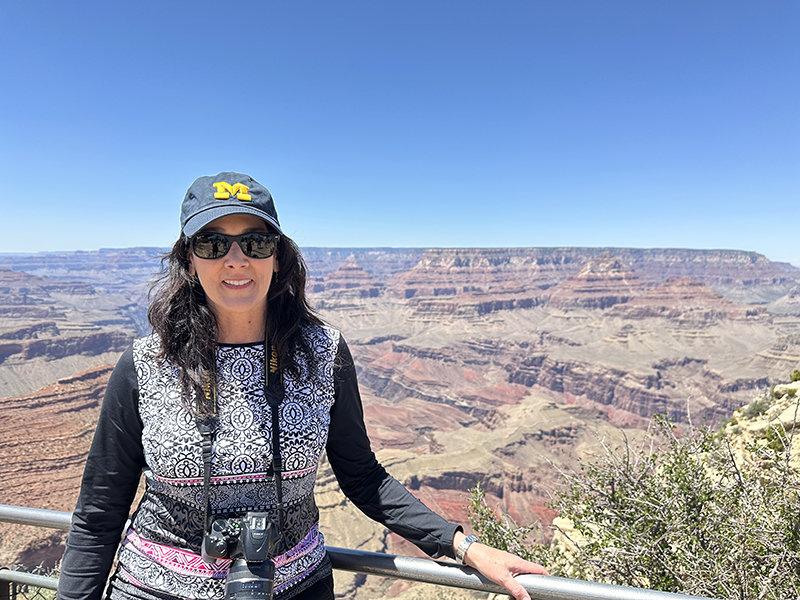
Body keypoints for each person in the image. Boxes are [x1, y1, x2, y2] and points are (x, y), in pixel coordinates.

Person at [56, 172, 548, 600]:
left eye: (255, 242)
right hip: (155, 589)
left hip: (297, 588)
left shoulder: (323, 353)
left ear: (278, 256)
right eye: (212, 242)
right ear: (189, 260)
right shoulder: (145, 364)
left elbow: (362, 476)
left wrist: (464, 546)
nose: (235, 259)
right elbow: (99, 514)